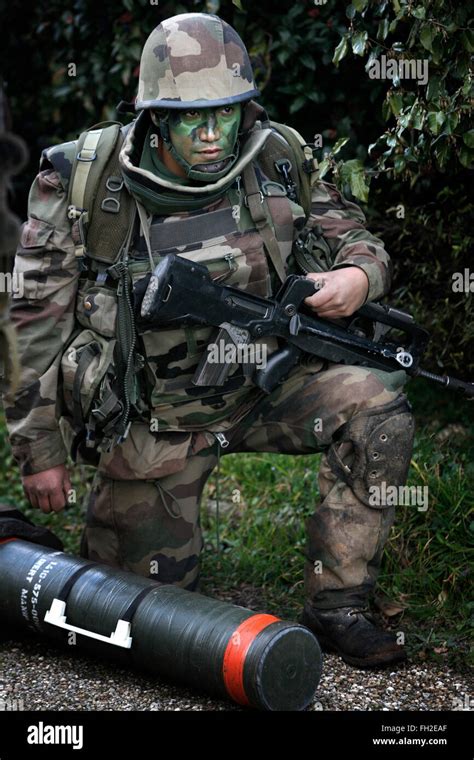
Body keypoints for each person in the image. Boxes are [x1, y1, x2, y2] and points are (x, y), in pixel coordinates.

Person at [2, 12, 414, 668]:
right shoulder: (82, 179)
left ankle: (339, 601)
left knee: (379, 407)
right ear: (153, 116)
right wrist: (38, 450)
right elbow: (33, 319)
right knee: (137, 623)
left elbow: (350, 230)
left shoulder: (277, 151)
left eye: (224, 114)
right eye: (189, 117)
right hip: (152, 418)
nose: (210, 134)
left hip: (264, 384)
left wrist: (359, 276)